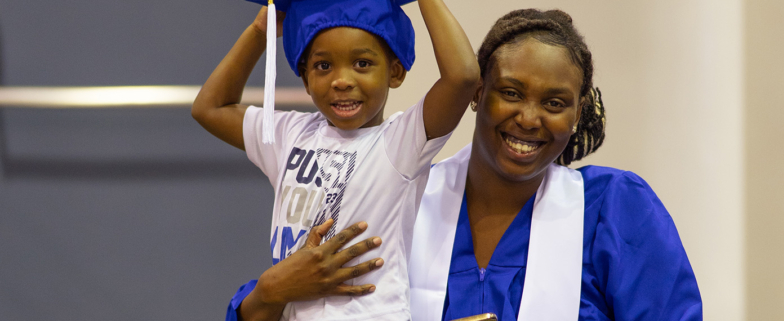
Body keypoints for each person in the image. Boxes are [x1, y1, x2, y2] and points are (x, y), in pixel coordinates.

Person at [227, 7, 703, 321]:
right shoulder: (398, 193)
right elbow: (280, 303)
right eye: (510, 93)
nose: (529, 118)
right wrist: (267, 291)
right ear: (477, 94)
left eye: (555, 103)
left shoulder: (612, 209)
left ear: (578, 114)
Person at [192, 0, 479, 319]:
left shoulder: (401, 142)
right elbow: (209, 108)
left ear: (395, 72)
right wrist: (260, 32)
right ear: (305, 79)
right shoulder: (290, 135)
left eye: (362, 63)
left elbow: (463, 76)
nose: (341, 80)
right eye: (323, 66)